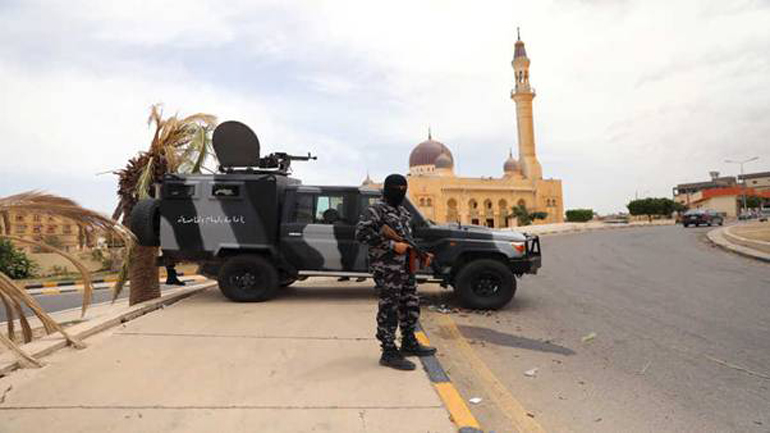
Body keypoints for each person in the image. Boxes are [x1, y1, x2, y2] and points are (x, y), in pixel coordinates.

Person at [355, 174, 436, 370]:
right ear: (387, 189)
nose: (400, 192)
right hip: (387, 269)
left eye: (403, 188)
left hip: (406, 268)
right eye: (396, 188)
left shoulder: (403, 212)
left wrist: (421, 254)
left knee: (410, 305)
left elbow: (408, 241)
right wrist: (391, 244)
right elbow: (361, 234)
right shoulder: (375, 210)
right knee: (389, 308)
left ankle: (409, 342)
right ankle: (389, 351)